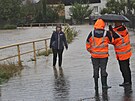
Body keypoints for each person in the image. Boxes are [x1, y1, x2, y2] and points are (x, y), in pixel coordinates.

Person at [86, 19, 112, 93]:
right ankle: (104, 85)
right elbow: (112, 41)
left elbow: (88, 42)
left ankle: (96, 86)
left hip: (94, 56)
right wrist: (110, 32)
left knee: (95, 69)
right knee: (103, 70)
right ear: (103, 25)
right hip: (104, 56)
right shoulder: (106, 33)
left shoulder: (92, 33)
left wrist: (91, 50)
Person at [109, 22, 132, 89]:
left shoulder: (116, 32)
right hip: (127, 52)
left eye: (116, 23)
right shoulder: (125, 29)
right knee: (127, 67)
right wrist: (112, 30)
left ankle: (126, 82)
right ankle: (128, 81)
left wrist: (111, 31)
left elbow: (113, 41)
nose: (114, 24)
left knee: (123, 68)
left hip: (122, 54)